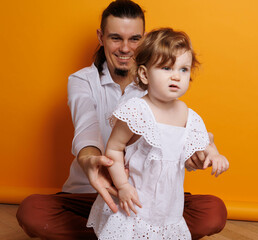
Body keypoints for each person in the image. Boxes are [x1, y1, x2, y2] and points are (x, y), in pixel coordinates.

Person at [16, 1, 229, 239]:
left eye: (135, 39)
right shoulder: (83, 80)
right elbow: (87, 132)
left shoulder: (164, 88)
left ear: (145, 39)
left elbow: (178, 148)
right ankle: (117, 231)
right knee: (32, 211)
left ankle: (128, 232)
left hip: (152, 200)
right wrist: (92, 162)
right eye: (116, 38)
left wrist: (199, 156)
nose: (126, 48)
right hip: (92, 192)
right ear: (101, 36)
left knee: (213, 210)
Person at [86, 27, 228, 240]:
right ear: (144, 74)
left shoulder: (188, 115)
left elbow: (204, 142)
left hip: (167, 206)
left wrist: (215, 154)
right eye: (166, 68)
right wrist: (122, 186)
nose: (176, 76)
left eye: (183, 70)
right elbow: (114, 149)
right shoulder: (136, 110)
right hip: (134, 201)